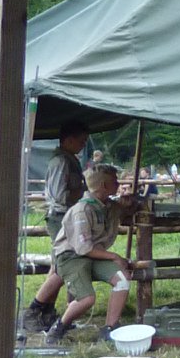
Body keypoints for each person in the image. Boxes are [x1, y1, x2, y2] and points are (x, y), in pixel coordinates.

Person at [44, 163, 131, 343]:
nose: (118, 185)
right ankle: (58, 328)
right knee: (87, 299)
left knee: (122, 281)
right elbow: (83, 248)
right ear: (104, 186)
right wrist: (115, 256)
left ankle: (109, 329)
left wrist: (131, 202)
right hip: (71, 257)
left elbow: (124, 209)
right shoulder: (82, 210)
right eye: (114, 182)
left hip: (94, 256)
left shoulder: (106, 205)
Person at [23, 121, 90, 331]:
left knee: (59, 266)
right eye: (80, 141)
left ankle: (47, 311)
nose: (82, 145)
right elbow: (60, 197)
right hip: (62, 218)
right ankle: (33, 311)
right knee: (62, 266)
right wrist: (82, 195)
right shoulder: (62, 162)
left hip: (67, 217)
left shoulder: (69, 159)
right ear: (68, 140)